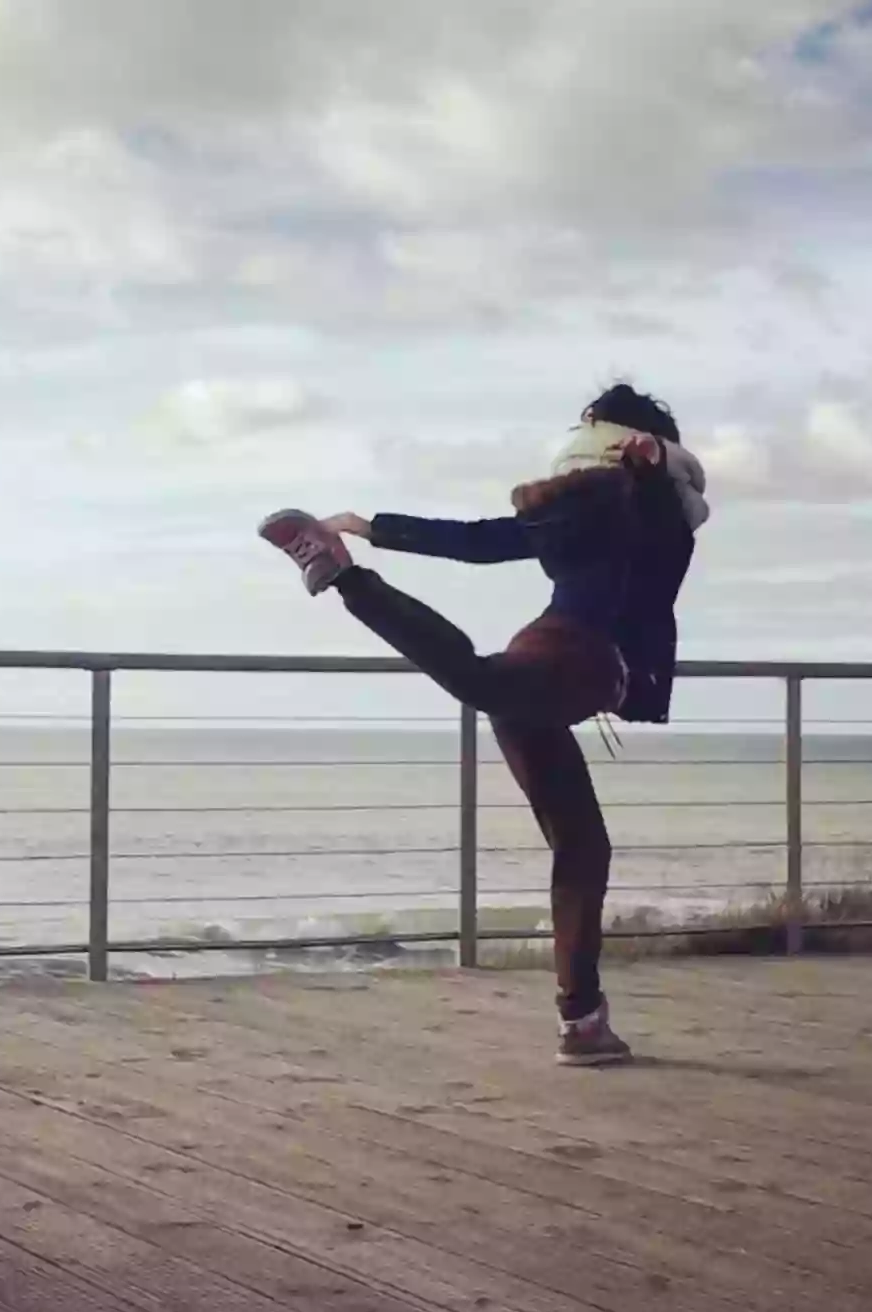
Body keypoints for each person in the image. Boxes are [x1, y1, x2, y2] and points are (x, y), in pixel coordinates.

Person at [258, 384, 708, 1065]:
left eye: (596, 430)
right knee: (567, 822)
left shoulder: (654, 509)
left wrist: (647, 466)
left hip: (582, 658)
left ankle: (583, 1021)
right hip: (555, 656)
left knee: (569, 823)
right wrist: (374, 523)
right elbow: (480, 542)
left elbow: (659, 522)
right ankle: (583, 1022)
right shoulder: (581, 507)